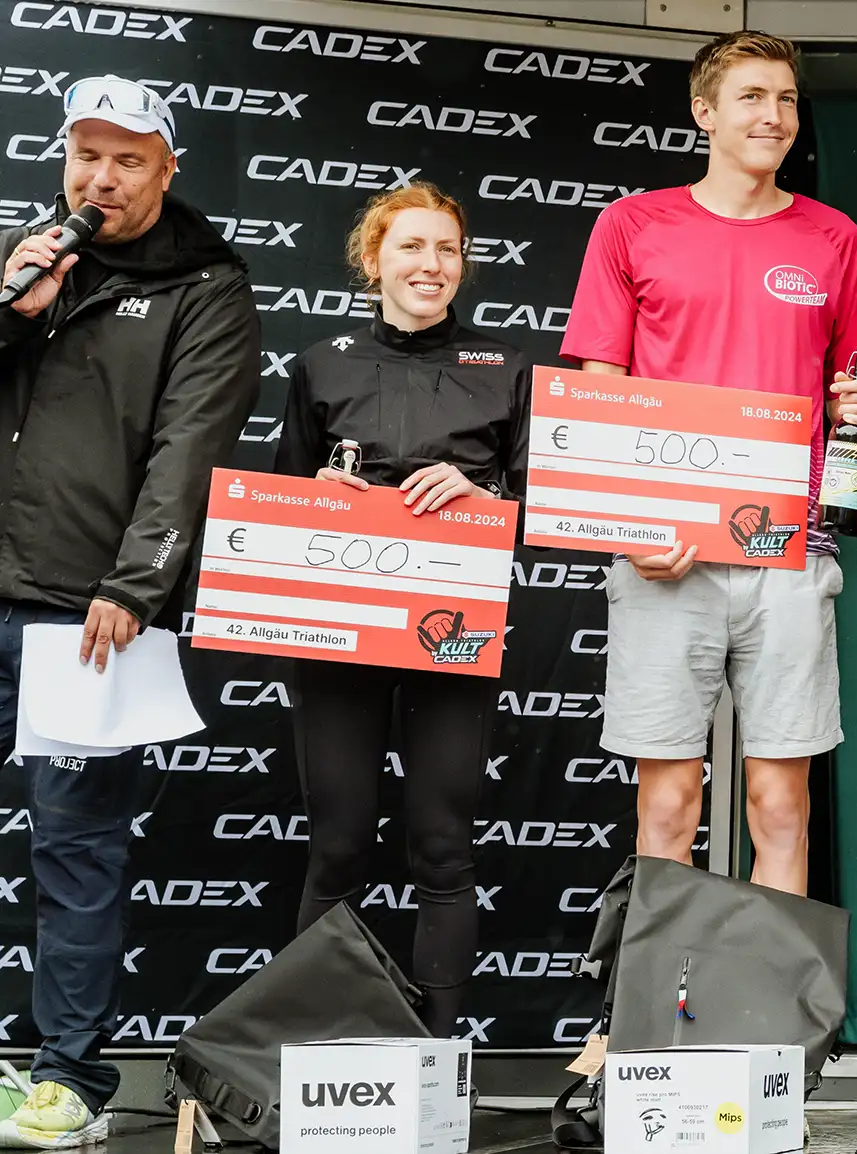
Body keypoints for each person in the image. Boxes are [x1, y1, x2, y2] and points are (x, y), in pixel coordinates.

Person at [560, 29, 857, 897]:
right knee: (668, 805)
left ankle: (774, 1025)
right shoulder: (632, 224)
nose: (773, 116)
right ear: (704, 111)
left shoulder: (834, 237)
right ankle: (651, 1027)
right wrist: (627, 530)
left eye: (785, 100)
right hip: (667, 553)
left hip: (792, 551)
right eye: (751, 97)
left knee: (781, 805)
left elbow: (850, 389)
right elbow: (601, 395)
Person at [0, 75, 260, 1146]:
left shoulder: (208, 284)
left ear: (168, 168)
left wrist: (134, 585)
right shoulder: (30, 262)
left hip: (82, 613)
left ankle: (66, 1077)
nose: (101, 178)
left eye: (128, 158)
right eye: (86, 156)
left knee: (76, 847)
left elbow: (187, 450)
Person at [274, 183, 532, 1039]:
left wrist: (482, 489)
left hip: (451, 629)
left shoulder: (508, 367)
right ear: (373, 260)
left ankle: (440, 1059)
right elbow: (276, 507)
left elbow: (545, 507)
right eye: (412, 247)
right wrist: (319, 495)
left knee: (443, 847)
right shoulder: (323, 362)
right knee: (339, 844)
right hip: (343, 629)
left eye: (447, 249)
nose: (431, 265)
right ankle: (311, 1055)